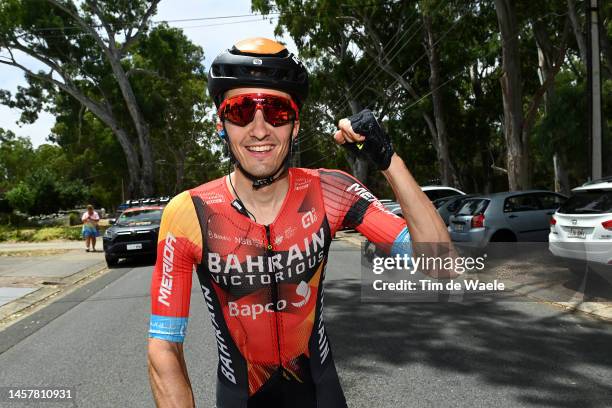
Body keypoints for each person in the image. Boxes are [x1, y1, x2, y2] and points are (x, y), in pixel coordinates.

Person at [147, 38, 453, 408]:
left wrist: (387, 159)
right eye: (242, 110)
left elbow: (442, 266)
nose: (259, 130)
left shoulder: (331, 191)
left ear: (295, 124)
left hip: (321, 395)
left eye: (275, 111)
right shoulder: (188, 212)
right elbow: (164, 347)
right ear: (222, 124)